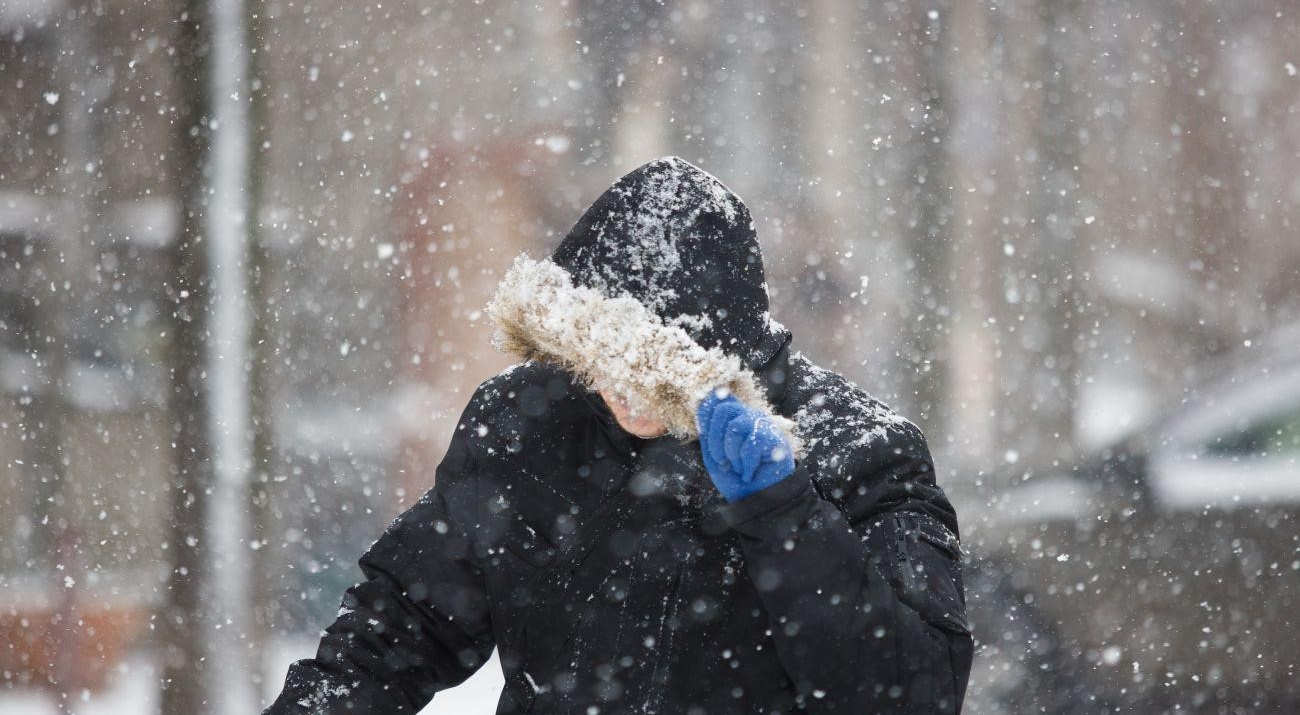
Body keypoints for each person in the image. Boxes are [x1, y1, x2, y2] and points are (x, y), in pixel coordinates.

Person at [263, 156, 972, 714]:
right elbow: (399, 630)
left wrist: (784, 513)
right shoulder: (528, 425)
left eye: (659, 372)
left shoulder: (862, 452)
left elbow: (912, 693)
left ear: (723, 356)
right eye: (602, 358)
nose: (625, 391)